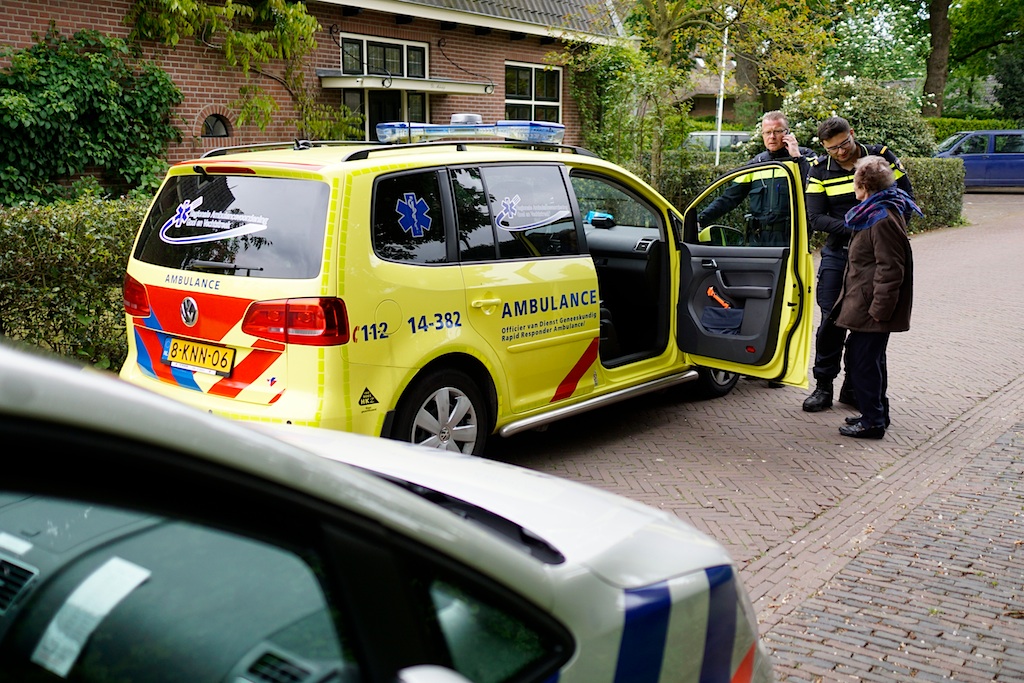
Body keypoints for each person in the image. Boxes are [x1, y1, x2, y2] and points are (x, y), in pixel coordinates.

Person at [802, 116, 914, 413]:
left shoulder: (880, 158)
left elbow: (905, 199)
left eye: (844, 144)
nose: (840, 152)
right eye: (832, 148)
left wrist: (882, 234)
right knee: (830, 322)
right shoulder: (818, 170)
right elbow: (816, 218)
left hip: (872, 257)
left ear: (852, 133)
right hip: (838, 255)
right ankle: (823, 385)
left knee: (869, 325)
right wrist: (860, 228)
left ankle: (857, 388)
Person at [833, 155, 920, 438]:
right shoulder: (875, 211)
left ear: (864, 186)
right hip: (866, 303)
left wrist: (880, 310)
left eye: (855, 181)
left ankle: (873, 422)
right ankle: (876, 413)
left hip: (872, 307)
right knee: (870, 360)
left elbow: (891, 268)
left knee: (862, 362)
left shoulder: (880, 218)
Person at [697, 110, 816, 247]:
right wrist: (700, 219)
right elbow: (729, 198)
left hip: (792, 238)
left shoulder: (805, 156)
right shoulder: (756, 163)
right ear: (762, 135)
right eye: (767, 132)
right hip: (758, 239)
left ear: (788, 133)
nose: (772, 137)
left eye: (777, 131)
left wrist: (797, 157)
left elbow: (812, 185)